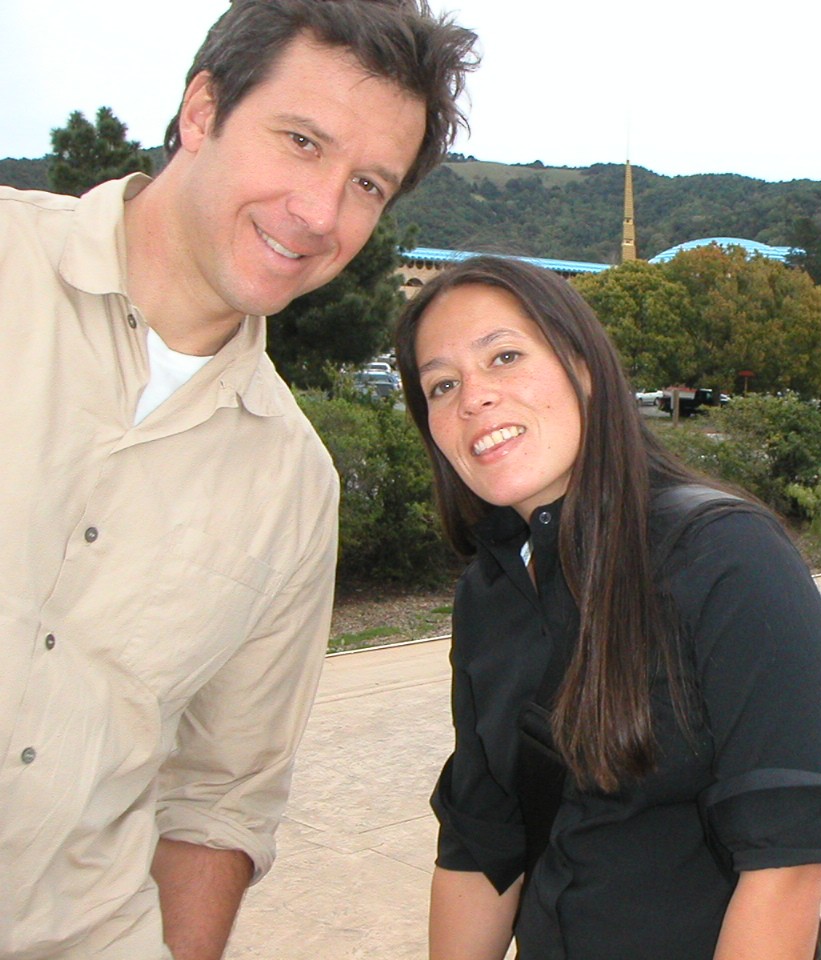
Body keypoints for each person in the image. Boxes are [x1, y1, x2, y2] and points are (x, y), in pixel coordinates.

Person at [0, 3, 476, 958]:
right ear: (202, 110)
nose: (320, 213)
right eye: (302, 141)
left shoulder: (294, 488)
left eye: (367, 184)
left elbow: (221, 798)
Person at [395, 256, 821, 959]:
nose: (472, 398)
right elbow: (481, 843)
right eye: (441, 385)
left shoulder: (727, 558)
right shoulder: (489, 593)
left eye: (504, 357)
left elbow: (783, 864)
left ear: (583, 367)